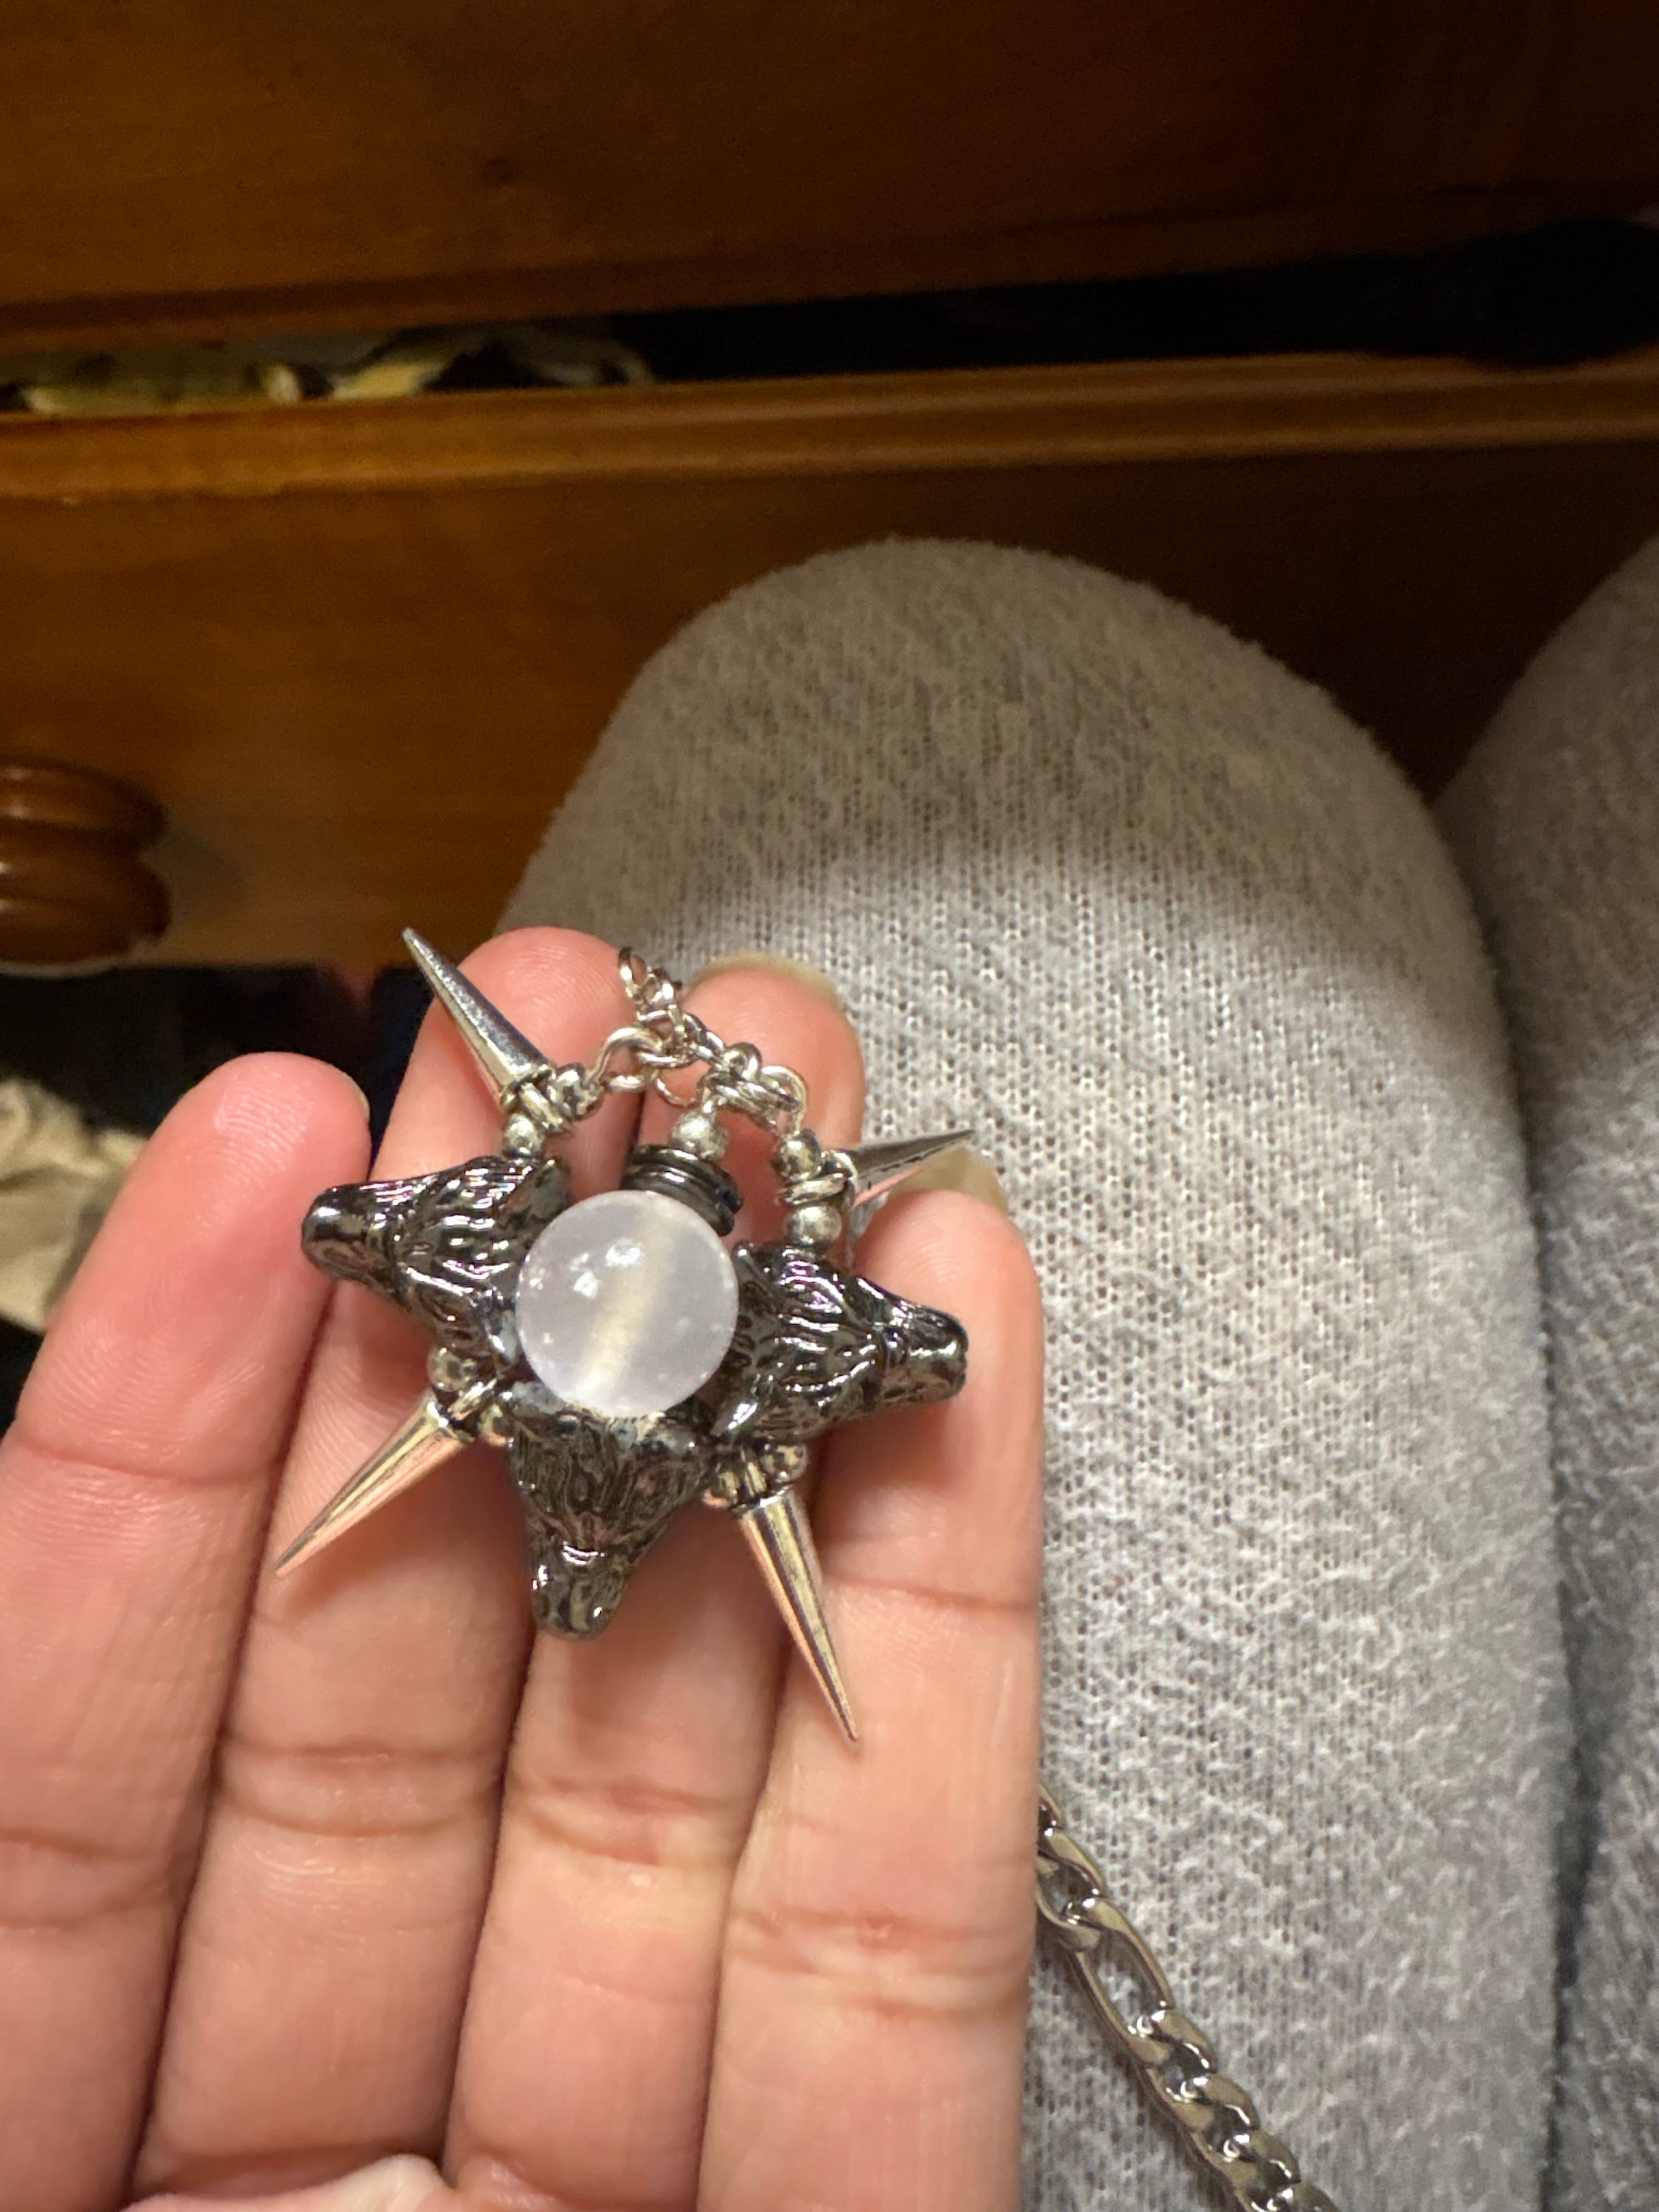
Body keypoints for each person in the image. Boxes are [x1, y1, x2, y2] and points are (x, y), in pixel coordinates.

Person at [1, 537, 1654, 2211]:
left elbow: (872, 1342)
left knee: (829, 663)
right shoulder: (658, 1307)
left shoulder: (704, 1316)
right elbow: (389, 1236)